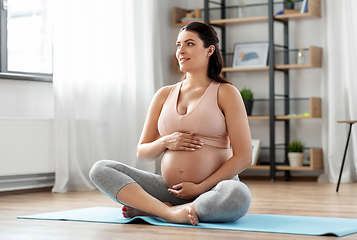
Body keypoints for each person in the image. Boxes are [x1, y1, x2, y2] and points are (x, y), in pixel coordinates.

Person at [89, 22, 252, 226]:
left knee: (238, 194)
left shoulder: (226, 93)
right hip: (169, 189)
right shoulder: (163, 95)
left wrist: (200, 187)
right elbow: (144, 153)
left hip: (213, 190)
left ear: (210, 50)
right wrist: (166, 141)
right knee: (100, 169)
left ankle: (159, 210)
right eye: (178, 45)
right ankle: (169, 211)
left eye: (189, 44)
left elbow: (244, 157)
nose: (180, 51)